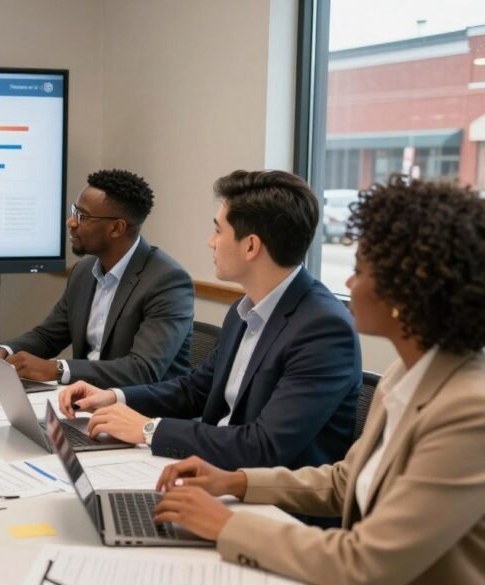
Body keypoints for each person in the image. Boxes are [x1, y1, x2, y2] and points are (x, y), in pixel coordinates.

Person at [152, 176, 485, 584]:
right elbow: (344, 481)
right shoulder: (406, 373)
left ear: (406, 290)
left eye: (359, 270)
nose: (347, 283)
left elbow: (366, 564)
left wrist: (226, 525)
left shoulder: (469, 412)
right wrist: (235, 482)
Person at [59, 170, 361, 472]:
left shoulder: (323, 330)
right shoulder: (245, 309)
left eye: (218, 230)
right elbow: (196, 389)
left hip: (264, 493)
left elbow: (265, 447)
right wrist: (115, 397)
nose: (210, 241)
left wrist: (149, 429)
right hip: (215, 471)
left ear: (251, 246)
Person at [0, 169, 194, 388]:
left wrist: (57, 369)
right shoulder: (84, 271)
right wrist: (4, 352)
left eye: (82, 216)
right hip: (84, 397)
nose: (71, 222)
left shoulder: (167, 281)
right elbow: (48, 336)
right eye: (74, 211)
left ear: (116, 228)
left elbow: (142, 370)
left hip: (138, 403)